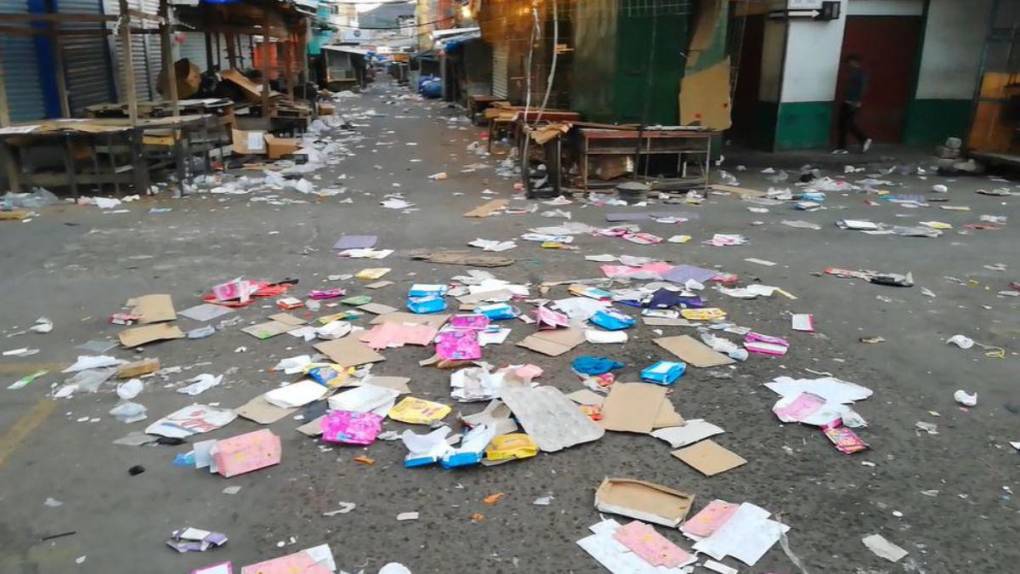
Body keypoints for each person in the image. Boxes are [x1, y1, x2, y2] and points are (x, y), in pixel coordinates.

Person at [837, 54, 872, 154]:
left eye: (850, 62)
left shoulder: (860, 74)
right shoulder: (853, 73)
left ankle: (843, 147)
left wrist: (857, 101)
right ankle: (863, 139)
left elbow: (863, 88)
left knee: (845, 124)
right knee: (845, 124)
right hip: (848, 100)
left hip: (852, 102)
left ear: (855, 62)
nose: (849, 64)